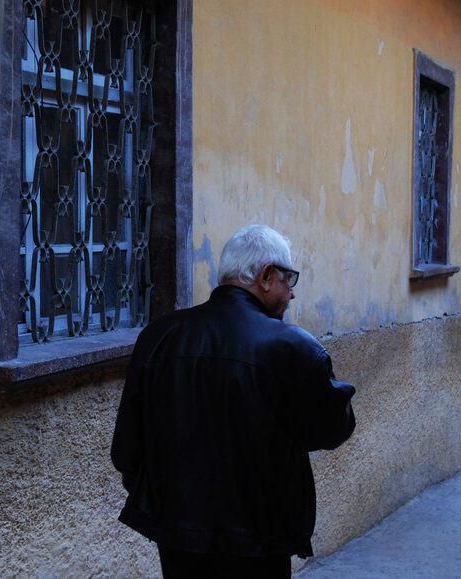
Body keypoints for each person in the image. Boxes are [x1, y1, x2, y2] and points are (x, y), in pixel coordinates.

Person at [111, 224, 356, 578]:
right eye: (290, 280)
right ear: (267, 276)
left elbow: (126, 452)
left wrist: (173, 510)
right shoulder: (292, 347)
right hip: (260, 542)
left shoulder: (159, 336)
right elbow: (333, 430)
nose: (292, 294)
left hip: (179, 540)